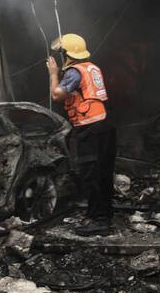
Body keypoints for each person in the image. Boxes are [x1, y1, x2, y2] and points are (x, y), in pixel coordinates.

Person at [47, 33, 117, 236]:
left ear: (68, 54)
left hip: (91, 128)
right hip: (104, 124)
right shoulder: (91, 67)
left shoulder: (75, 73)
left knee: (92, 174)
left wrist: (53, 73)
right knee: (103, 173)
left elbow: (56, 95)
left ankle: (100, 222)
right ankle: (100, 214)